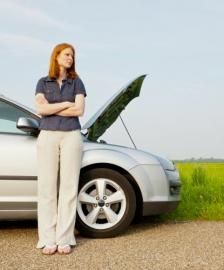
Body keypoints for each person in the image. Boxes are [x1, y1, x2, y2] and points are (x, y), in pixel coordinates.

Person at [35, 43, 87, 255]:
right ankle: (47, 239)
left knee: (68, 187)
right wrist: (66, 104)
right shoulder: (42, 82)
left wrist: (52, 108)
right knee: (46, 188)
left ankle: (65, 237)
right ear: (56, 56)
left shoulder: (77, 81)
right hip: (47, 136)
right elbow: (40, 109)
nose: (70, 58)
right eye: (66, 54)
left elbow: (80, 110)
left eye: (72, 56)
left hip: (71, 136)